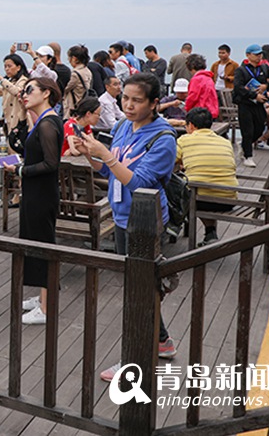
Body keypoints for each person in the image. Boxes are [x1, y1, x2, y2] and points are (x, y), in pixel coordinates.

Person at [79, 73, 179, 379]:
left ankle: (133, 360)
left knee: (136, 290)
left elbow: (139, 183)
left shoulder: (163, 138)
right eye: (125, 98)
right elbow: (111, 172)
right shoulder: (122, 126)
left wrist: (105, 156)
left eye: (137, 100)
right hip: (122, 216)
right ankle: (162, 341)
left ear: (154, 103)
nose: (129, 105)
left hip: (145, 221)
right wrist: (91, 155)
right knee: (139, 286)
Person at [3, 77, 63, 325]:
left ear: (46, 93)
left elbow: (51, 163)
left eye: (30, 90)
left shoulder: (48, 123)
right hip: (36, 192)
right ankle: (42, 297)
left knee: (43, 246)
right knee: (35, 243)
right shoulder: (43, 120)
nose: (24, 94)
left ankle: (48, 308)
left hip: (41, 194)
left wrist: (20, 170)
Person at [176, 106, 237, 247]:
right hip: (229, 199)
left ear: (191, 125)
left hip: (202, 198)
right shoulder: (224, 141)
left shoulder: (185, 140)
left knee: (181, 188)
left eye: (186, 126)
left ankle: (173, 225)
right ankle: (210, 234)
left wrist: (183, 163)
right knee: (204, 185)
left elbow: (169, 161)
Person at [232, 44, 269, 168]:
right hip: (245, 104)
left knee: (259, 128)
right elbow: (238, 87)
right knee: (247, 130)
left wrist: (267, 86)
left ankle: (243, 144)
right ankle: (248, 156)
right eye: (256, 54)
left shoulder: (264, 68)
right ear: (248, 55)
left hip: (259, 104)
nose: (259, 57)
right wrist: (254, 95)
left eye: (260, 54)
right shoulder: (241, 70)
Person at [0, 53, 30, 156]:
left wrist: (2, 80)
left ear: (18, 67)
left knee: (16, 150)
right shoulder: (11, 81)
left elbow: (16, 91)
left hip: (18, 121)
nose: (7, 69)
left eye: (9, 66)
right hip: (8, 121)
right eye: (5, 66)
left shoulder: (23, 81)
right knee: (9, 149)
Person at [62, 44, 94, 120]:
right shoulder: (87, 71)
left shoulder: (75, 74)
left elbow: (65, 89)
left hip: (73, 107)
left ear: (74, 58)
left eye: (69, 58)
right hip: (83, 105)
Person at [184, 53, 219, 119]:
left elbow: (193, 96)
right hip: (211, 111)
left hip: (200, 113)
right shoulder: (208, 78)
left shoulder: (196, 79)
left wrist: (186, 108)